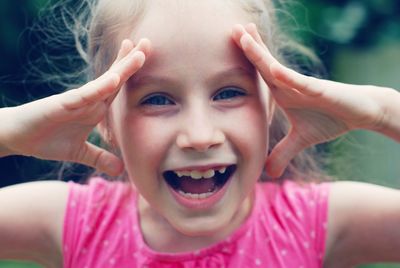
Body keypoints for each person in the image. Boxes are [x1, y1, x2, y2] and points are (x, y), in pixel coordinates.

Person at [1, 0, 400, 267]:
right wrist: (10, 132)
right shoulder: (79, 223)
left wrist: (383, 110)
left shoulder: (311, 221)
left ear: (273, 103)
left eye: (228, 93)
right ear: (104, 119)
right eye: (158, 99)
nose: (199, 135)